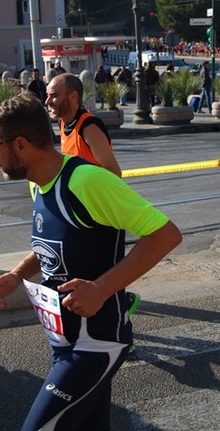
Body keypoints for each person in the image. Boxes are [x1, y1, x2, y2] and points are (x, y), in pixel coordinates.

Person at [0, 93, 182, 431]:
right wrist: (17, 276)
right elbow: (57, 245)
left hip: (96, 342)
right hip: (64, 340)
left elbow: (166, 235)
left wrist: (102, 288)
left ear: (20, 145)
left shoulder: (88, 181)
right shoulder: (40, 185)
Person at [46, 73, 140, 325]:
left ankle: (123, 332)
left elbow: (112, 171)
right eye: (48, 95)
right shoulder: (65, 125)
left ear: (73, 96)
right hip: (80, 216)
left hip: (101, 215)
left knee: (105, 277)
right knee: (89, 275)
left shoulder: (88, 126)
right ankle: (120, 304)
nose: (48, 101)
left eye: (54, 95)